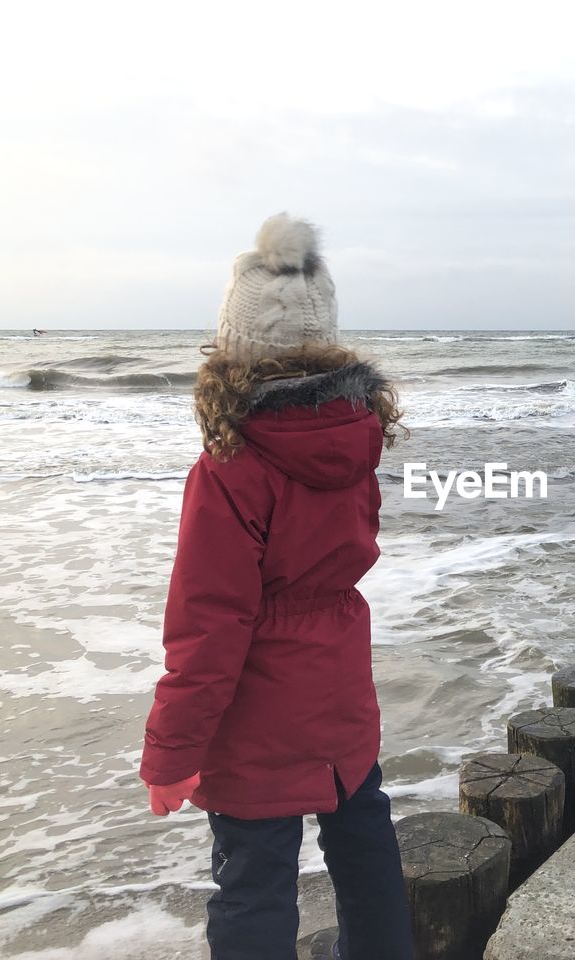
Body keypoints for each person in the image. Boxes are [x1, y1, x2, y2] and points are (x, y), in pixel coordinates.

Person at [139, 213, 413, 960]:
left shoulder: (231, 467)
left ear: (235, 343)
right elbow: (349, 557)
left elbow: (210, 623)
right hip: (340, 691)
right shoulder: (356, 437)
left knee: (254, 880)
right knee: (363, 840)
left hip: (257, 714)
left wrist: (171, 751)